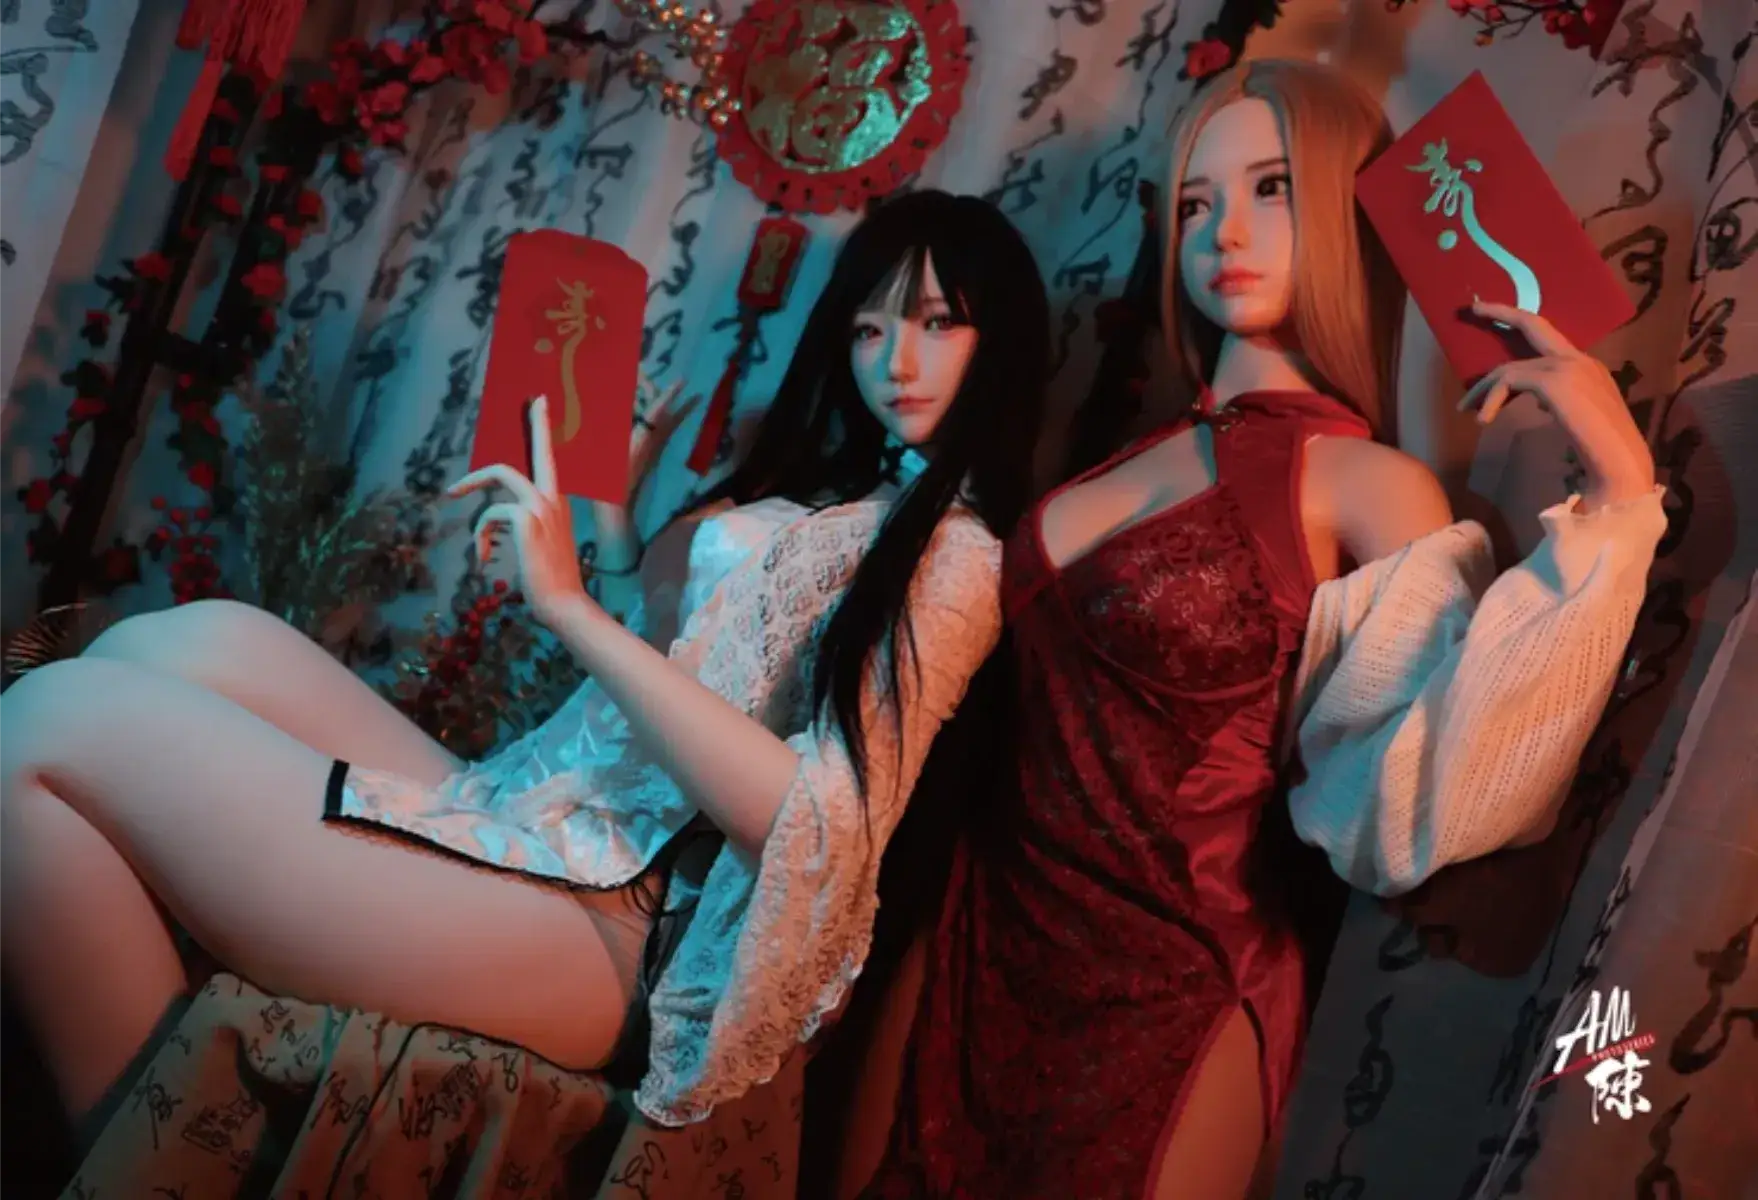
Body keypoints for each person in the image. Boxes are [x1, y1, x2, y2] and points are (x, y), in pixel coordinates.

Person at [0, 188, 1052, 1138]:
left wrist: (566, 607)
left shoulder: (957, 556)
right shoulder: (847, 494)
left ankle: (136, 1158)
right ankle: (147, 1116)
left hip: (615, 921)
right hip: (544, 813)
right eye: (869, 327)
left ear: (998, 336)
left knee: (47, 723)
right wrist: (609, 527)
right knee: (178, 638)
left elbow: (810, 829)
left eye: (936, 322)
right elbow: (688, 665)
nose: (893, 362)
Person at [851, 60, 1667, 1199]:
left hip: (1171, 986)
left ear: (1342, 210)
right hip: (970, 936)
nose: (1223, 231)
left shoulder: (1366, 484)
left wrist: (1618, 491)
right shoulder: (1115, 456)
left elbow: (1430, 786)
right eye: (1196, 202)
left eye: (1273, 187)